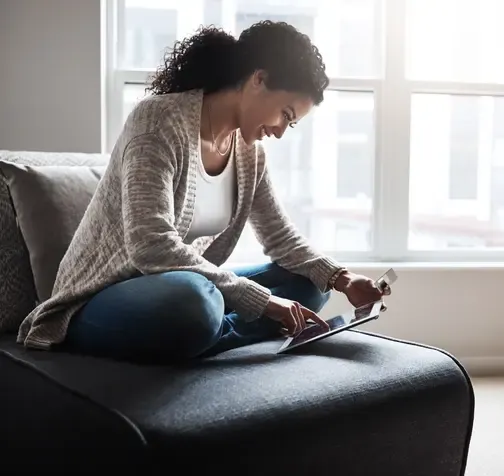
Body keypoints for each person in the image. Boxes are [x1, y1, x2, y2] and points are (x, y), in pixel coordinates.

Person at [17, 21, 390, 363]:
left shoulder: (249, 155)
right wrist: (261, 302)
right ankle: (214, 330)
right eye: (285, 114)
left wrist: (342, 278)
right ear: (259, 79)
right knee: (194, 303)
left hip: (182, 287)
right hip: (102, 298)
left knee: (310, 285)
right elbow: (151, 245)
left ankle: (207, 334)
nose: (280, 130)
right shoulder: (158, 120)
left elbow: (281, 238)